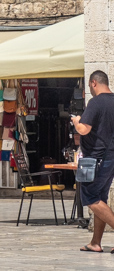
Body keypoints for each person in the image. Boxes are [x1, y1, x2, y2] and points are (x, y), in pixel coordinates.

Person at [71, 70, 114, 253]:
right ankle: (95, 242)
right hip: (110, 158)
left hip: (96, 158)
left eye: (89, 86)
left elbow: (84, 129)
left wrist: (76, 121)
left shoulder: (95, 102)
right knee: (101, 198)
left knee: (91, 198)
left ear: (94, 83)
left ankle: (96, 242)